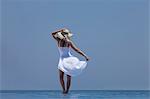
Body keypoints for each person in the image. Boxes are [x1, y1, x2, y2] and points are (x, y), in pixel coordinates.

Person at [51, 28, 90, 94]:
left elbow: (52, 33)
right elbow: (77, 50)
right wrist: (85, 55)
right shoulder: (68, 42)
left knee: (61, 76)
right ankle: (66, 91)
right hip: (68, 59)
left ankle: (64, 90)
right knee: (68, 76)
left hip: (63, 59)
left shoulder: (58, 40)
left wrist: (60, 30)